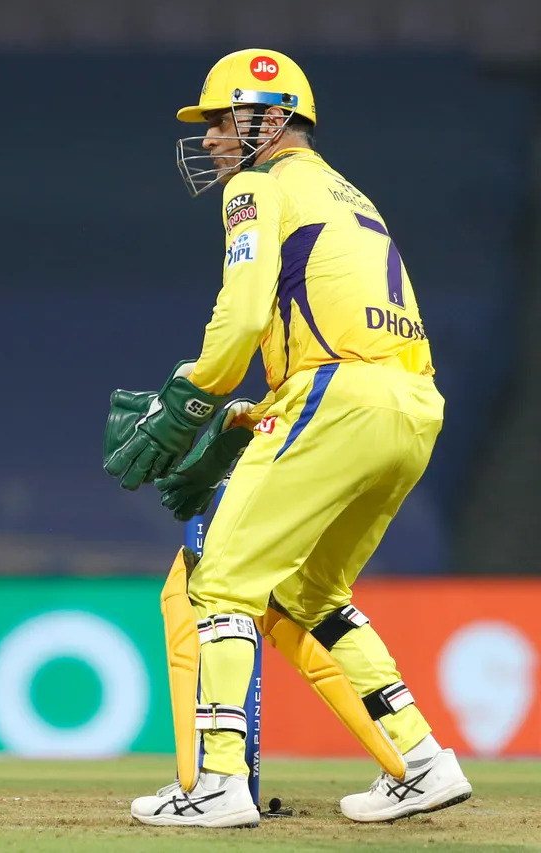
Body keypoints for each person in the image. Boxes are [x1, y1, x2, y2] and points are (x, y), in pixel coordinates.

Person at [103, 49, 470, 826]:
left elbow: (240, 320)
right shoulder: (347, 191)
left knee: (220, 582)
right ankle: (422, 757)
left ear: (266, 120)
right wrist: (251, 414)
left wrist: (190, 399)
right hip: (414, 403)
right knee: (314, 594)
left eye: (219, 121)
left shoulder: (257, 186)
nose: (209, 139)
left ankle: (218, 782)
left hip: (338, 393)